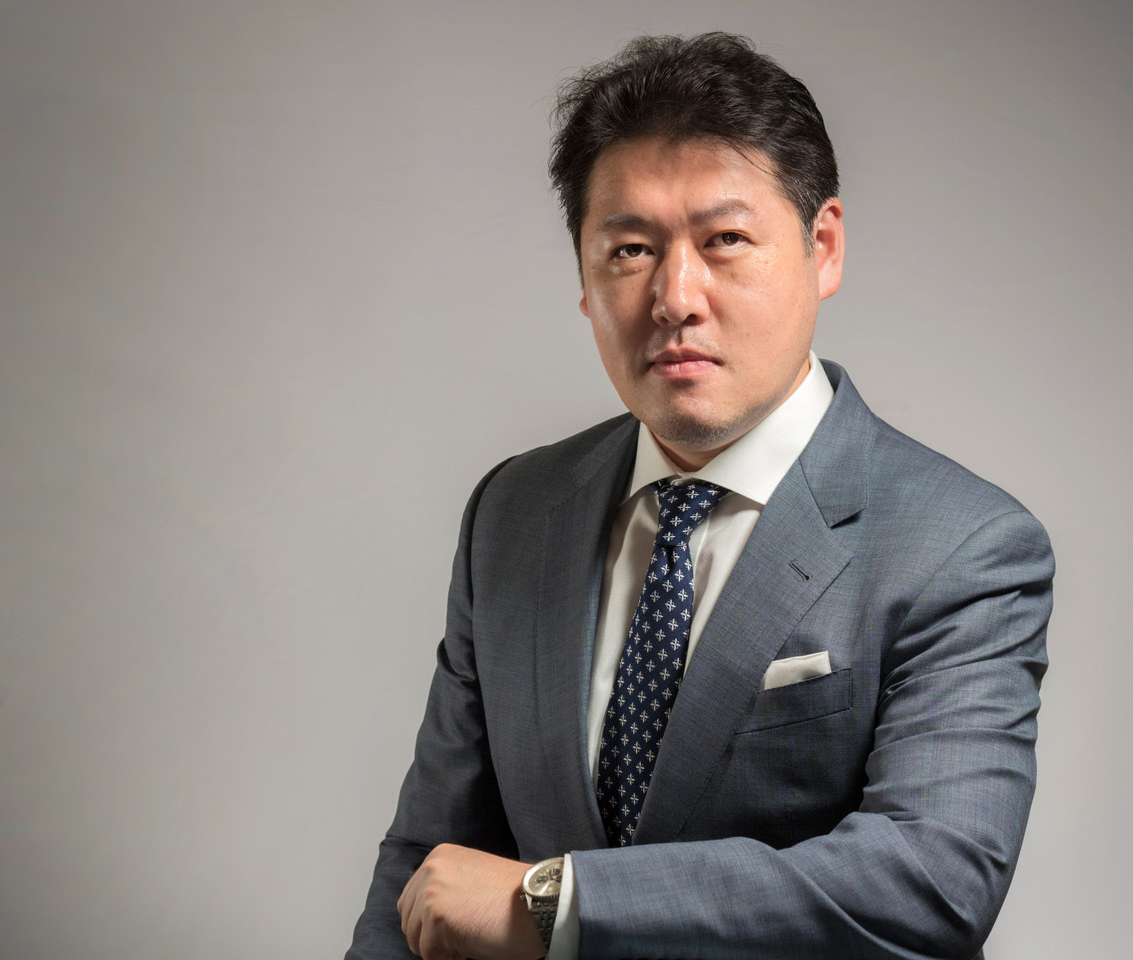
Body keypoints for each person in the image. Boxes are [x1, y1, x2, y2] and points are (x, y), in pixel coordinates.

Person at [346, 32, 1052, 960]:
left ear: (823, 247)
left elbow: (931, 879)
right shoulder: (513, 513)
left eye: (725, 241)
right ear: (584, 278)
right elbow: (426, 866)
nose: (676, 296)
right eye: (631, 250)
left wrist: (557, 902)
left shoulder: (963, 544)